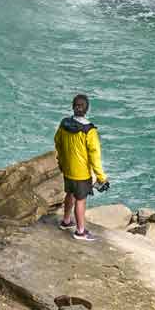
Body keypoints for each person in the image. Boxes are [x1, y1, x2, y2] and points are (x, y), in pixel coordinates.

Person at [54, 93, 107, 241]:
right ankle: (80, 231)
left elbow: (57, 143)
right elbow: (94, 156)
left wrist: (61, 161)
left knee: (69, 194)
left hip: (67, 170)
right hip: (81, 174)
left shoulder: (64, 124)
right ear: (86, 109)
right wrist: (102, 177)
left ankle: (65, 221)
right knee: (80, 200)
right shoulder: (89, 131)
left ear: (73, 107)